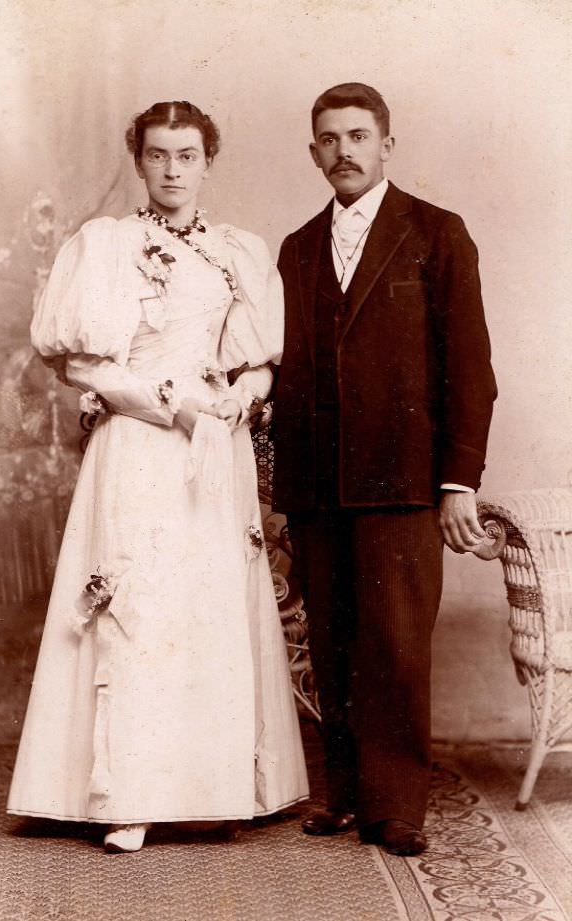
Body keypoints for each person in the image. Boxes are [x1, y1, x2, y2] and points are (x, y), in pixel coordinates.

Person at [7, 100, 308, 853]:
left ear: (209, 161)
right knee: (139, 605)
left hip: (216, 447)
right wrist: (170, 411)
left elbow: (258, 358)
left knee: (207, 607)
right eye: (157, 155)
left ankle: (213, 789)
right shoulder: (106, 245)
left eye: (187, 155)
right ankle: (128, 792)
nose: (173, 171)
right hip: (142, 441)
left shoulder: (238, 250)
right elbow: (84, 362)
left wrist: (243, 397)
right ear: (138, 160)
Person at [271, 83, 496, 856]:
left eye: (359, 136)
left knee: (395, 644)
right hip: (318, 486)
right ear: (314, 153)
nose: (345, 152)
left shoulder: (437, 233)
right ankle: (342, 790)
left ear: (386, 146)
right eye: (329, 139)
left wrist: (457, 480)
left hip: (403, 482)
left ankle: (396, 806)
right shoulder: (297, 248)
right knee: (330, 641)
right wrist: (281, 488)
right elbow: (290, 370)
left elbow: (471, 370)